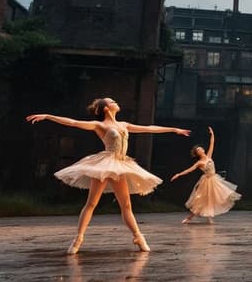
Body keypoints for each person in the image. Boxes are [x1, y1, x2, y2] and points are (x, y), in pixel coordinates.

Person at [26, 98, 191, 254]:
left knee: (126, 205)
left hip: (120, 164)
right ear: (105, 108)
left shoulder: (123, 124)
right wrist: (48, 116)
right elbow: (73, 123)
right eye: (112, 101)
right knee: (91, 203)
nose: (115, 102)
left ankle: (138, 238)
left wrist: (173, 129)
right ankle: (78, 239)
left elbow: (148, 128)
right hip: (105, 164)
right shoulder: (99, 125)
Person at [171, 127, 241, 224]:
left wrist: (212, 134)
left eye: (201, 148)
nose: (201, 149)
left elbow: (212, 143)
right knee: (201, 200)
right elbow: (189, 170)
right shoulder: (199, 163)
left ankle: (209, 217)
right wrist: (178, 174)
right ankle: (189, 218)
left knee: (212, 200)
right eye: (199, 149)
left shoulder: (209, 156)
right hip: (207, 181)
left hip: (214, 180)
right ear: (197, 153)